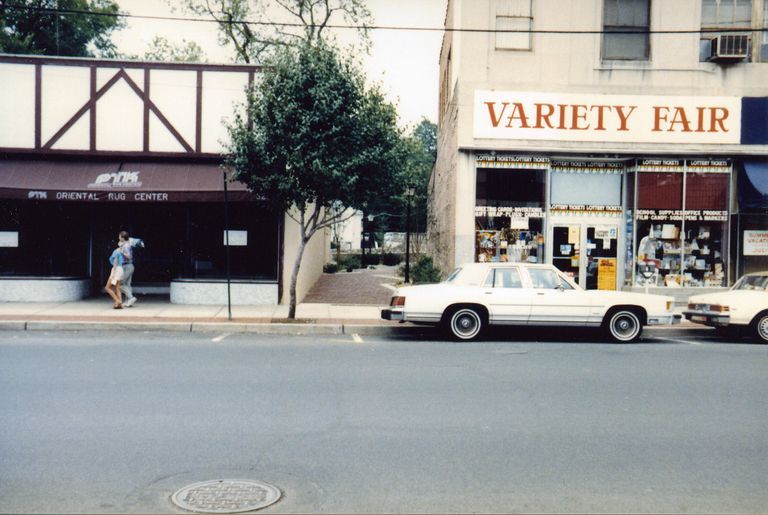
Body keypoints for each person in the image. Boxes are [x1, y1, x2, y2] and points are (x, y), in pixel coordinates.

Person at [119, 230, 138, 307]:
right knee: (127, 284)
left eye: (119, 236)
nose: (118, 237)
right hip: (129, 266)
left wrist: (122, 252)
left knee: (121, 284)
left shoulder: (126, 246)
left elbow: (129, 256)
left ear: (122, 237)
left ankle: (131, 298)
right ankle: (128, 302)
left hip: (127, 266)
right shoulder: (126, 244)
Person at [105, 242, 125, 309]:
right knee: (117, 287)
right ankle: (120, 304)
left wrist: (113, 273)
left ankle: (117, 301)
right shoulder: (121, 252)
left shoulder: (116, 252)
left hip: (116, 269)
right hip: (120, 269)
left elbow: (115, 262)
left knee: (107, 287)